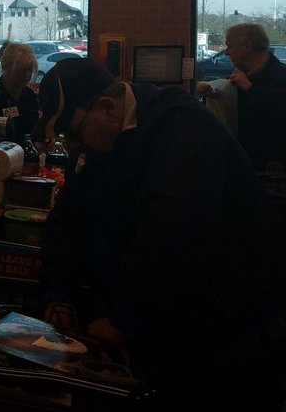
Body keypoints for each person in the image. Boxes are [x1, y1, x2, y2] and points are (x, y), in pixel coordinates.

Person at [34, 58, 286, 409]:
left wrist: (127, 318)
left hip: (229, 330)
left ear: (107, 108)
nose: (74, 144)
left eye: (75, 132)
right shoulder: (102, 146)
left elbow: (173, 231)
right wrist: (58, 289)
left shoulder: (183, 128)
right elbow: (69, 218)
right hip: (169, 324)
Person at [197, 22, 286, 171]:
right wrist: (212, 91)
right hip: (241, 160)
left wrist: (250, 88)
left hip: (272, 166)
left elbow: (280, 114)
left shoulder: (281, 76)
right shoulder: (240, 76)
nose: (227, 52)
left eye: (230, 46)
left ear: (247, 46)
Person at [0, 42, 39, 145]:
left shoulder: (30, 95)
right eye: (20, 70)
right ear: (5, 67)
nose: (26, 75)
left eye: (29, 69)